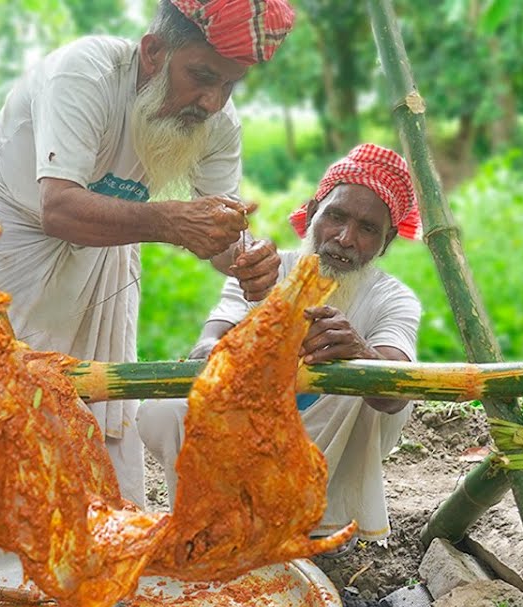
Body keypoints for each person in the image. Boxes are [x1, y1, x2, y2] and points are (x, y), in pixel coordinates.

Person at [0, 0, 296, 507]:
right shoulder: (84, 74)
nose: (211, 101)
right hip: (18, 224)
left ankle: (111, 525)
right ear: (152, 52)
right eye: (202, 76)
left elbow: (222, 236)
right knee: (18, 384)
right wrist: (169, 222)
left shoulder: (218, 121)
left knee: (108, 396)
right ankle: (18, 541)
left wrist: (247, 259)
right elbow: (57, 208)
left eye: (229, 85)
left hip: (114, 233)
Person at [138, 143, 424, 552]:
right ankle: (205, 520)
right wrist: (258, 338)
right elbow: (207, 344)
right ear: (311, 215)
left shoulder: (393, 299)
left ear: (386, 241)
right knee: (166, 409)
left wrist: (359, 352)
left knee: (370, 383)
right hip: (246, 437)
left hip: (326, 448)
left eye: (366, 229)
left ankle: (314, 522)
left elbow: (397, 396)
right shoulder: (266, 267)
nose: (344, 239)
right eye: (336, 217)